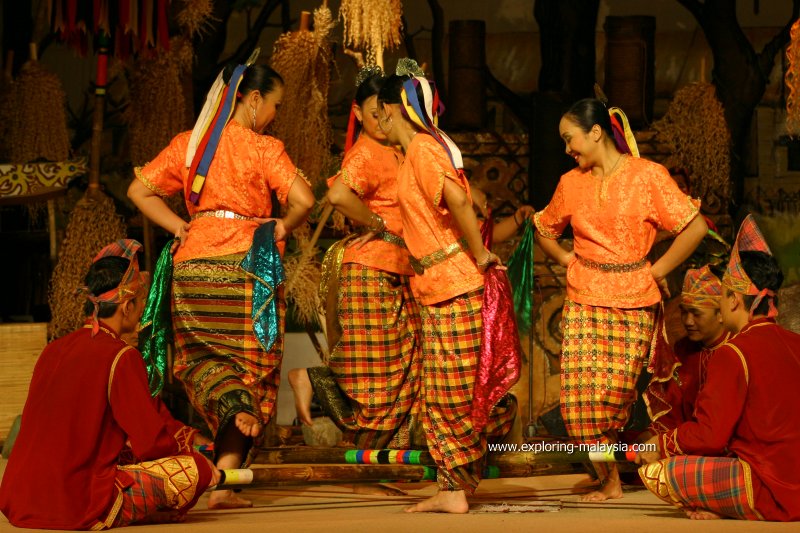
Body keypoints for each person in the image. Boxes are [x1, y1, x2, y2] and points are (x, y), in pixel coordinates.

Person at [127, 58, 315, 509]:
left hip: (193, 270)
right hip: (247, 270)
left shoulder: (190, 147)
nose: (274, 115)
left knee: (201, 360)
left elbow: (138, 191)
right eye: (274, 105)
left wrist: (179, 227)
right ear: (252, 100)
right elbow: (305, 198)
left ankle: (227, 478)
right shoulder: (264, 148)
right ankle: (237, 431)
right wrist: (285, 225)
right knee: (251, 366)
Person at [533, 98, 708, 501]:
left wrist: (658, 271)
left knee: (610, 400)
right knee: (578, 406)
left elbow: (694, 226)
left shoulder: (647, 176)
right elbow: (543, 227)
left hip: (633, 302)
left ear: (595, 132)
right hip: (583, 298)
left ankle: (618, 470)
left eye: (569, 138)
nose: (567, 149)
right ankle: (608, 479)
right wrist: (564, 257)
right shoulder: (570, 183)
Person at [376, 60, 517, 514]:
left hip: (455, 282)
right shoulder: (413, 152)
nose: (375, 119)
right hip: (435, 285)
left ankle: (455, 488)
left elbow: (458, 199)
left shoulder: (421, 147)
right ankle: (455, 484)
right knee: (440, 390)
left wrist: (478, 253)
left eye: (378, 110)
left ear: (390, 109)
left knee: (450, 391)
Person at [0, 241, 219, 529]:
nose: (142, 311)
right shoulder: (121, 355)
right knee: (194, 470)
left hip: (19, 496)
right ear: (127, 306)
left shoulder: (53, 349)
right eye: (141, 303)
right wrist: (191, 457)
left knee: (126, 455)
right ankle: (124, 510)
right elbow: (151, 443)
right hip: (72, 501)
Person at [288, 68, 423, 455]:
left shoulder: (398, 149)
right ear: (357, 112)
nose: (381, 120)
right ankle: (312, 381)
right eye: (373, 111)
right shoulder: (366, 153)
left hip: (400, 269)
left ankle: (393, 453)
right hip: (370, 270)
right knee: (376, 380)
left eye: (387, 111)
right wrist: (378, 222)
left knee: (402, 372)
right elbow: (339, 196)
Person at [638, 215, 800, 521]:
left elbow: (709, 436)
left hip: (769, 485)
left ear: (735, 300)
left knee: (661, 472)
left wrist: (661, 444)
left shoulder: (733, 352)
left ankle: (733, 506)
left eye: (723, 295)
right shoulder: (795, 343)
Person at [643, 266, 730, 433]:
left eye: (696, 314)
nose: (688, 321)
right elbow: (673, 408)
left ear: (721, 314)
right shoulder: (684, 349)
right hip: (687, 439)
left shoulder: (736, 348)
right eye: (684, 312)